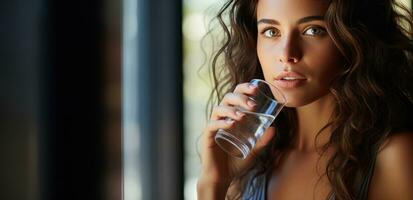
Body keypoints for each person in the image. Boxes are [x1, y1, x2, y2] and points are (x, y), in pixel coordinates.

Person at [197, 0, 413, 199]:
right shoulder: (250, 160)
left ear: (354, 38)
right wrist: (213, 183)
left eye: (313, 30)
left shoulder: (393, 157)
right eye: (271, 31)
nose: (287, 54)